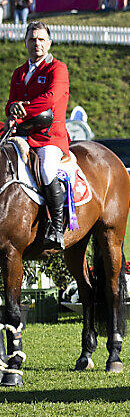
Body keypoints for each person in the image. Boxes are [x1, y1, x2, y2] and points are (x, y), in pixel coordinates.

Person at [5, 22, 70, 251]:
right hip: (23, 133)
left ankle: (57, 228)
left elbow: (50, 100)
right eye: (32, 40)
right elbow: (10, 103)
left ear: (49, 43)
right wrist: (13, 108)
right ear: (26, 43)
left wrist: (21, 111)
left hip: (49, 136)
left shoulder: (57, 69)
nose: (37, 44)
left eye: (41, 39)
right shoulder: (19, 73)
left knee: (46, 170)